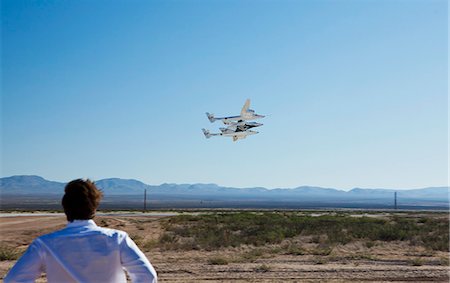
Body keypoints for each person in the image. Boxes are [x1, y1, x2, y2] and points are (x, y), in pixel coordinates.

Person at [4, 179, 157, 283]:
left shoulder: (45, 244)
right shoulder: (117, 239)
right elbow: (147, 275)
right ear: (94, 208)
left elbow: (14, 280)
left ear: (65, 208)